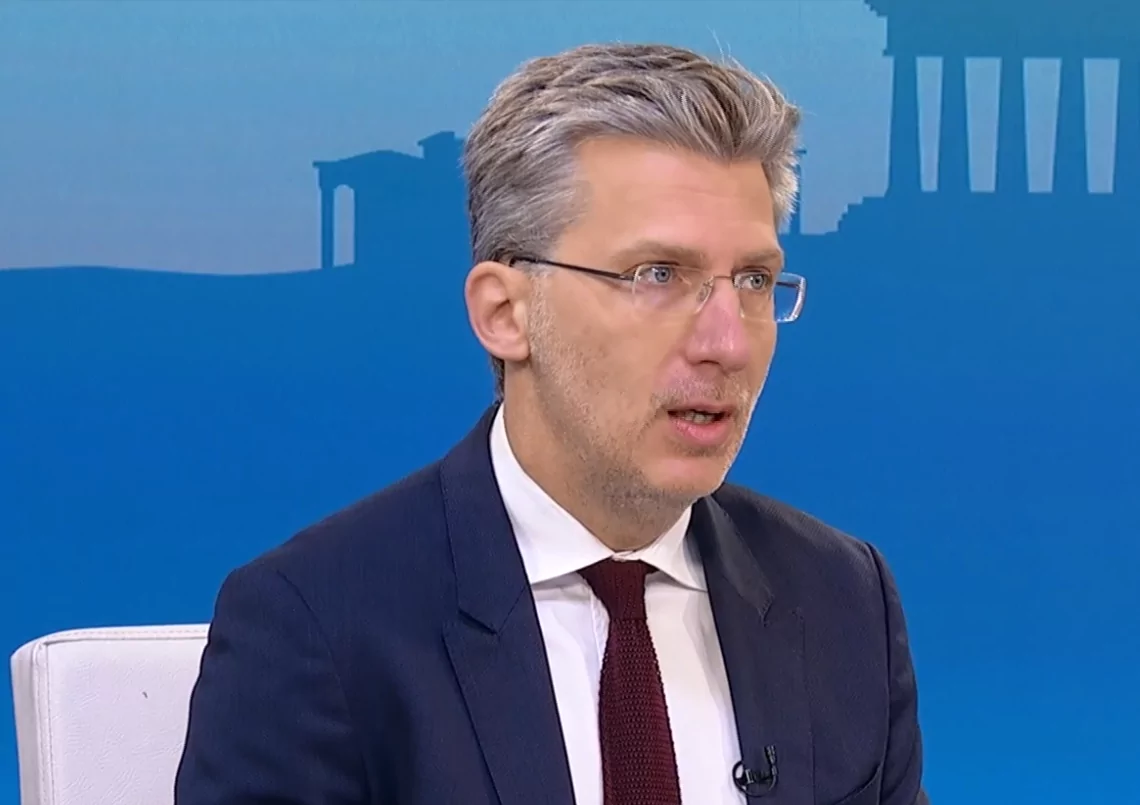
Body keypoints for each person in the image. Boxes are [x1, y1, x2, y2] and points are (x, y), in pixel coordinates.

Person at [175, 42, 928, 805]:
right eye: (658, 275)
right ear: (506, 312)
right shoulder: (316, 626)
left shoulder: (842, 600)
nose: (727, 343)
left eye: (755, 280)